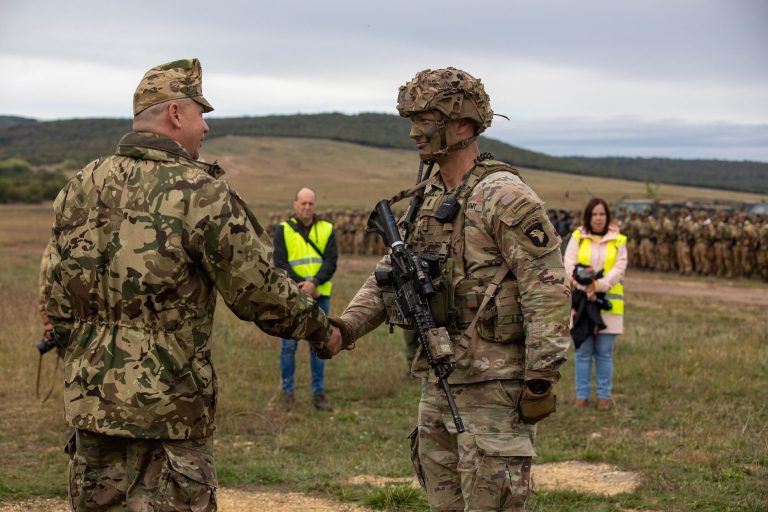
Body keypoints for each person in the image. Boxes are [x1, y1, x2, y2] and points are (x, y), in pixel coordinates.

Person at [44, 58, 342, 511]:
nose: (206, 127)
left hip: (92, 412)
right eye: (201, 114)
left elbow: (56, 297)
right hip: (169, 413)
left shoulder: (79, 186)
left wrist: (88, 364)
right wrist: (321, 329)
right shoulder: (200, 191)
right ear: (175, 114)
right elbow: (258, 290)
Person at [329, 67, 570, 510]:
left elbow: (547, 287)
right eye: (412, 121)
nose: (414, 133)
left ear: (462, 125)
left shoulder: (504, 196)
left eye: (425, 120)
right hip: (440, 378)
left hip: (495, 386)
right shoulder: (429, 196)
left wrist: (541, 376)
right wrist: (345, 328)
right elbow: (392, 271)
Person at [273, 187, 338, 411]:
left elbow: (331, 261)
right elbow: (280, 262)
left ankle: (319, 395)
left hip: (320, 296)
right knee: (288, 347)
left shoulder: (327, 228)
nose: (307, 207)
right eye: (303, 203)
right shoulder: (283, 230)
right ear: (295, 204)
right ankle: (287, 394)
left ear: (315, 205)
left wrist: (315, 283)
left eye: (311, 203)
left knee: (319, 346)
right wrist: (303, 286)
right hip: (292, 297)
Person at [564, 198, 628, 411]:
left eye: (602, 214)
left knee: (604, 352)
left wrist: (597, 286)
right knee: (582, 351)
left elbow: (619, 269)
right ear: (588, 217)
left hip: (608, 304)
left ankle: (603, 397)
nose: (598, 218)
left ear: (607, 216)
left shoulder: (618, 240)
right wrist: (584, 287)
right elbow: (569, 265)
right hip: (582, 303)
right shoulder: (577, 237)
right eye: (594, 214)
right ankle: (582, 396)